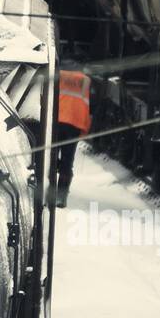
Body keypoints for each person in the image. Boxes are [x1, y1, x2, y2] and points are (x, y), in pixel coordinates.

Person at [53, 61, 91, 208]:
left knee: (50, 157)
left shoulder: (57, 75)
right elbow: (85, 105)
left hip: (56, 120)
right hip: (74, 124)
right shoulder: (85, 80)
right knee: (67, 161)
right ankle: (61, 197)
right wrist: (84, 128)